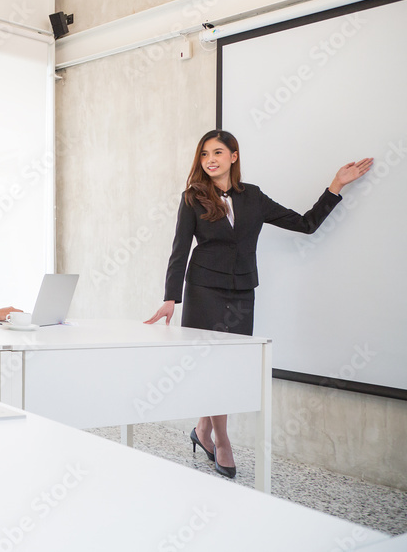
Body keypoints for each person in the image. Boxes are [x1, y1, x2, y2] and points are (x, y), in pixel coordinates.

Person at [144, 129, 372, 479]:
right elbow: (180, 249)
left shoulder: (253, 197)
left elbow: (306, 224)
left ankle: (202, 431)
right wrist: (170, 298)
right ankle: (222, 439)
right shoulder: (192, 197)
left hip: (241, 292)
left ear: (233, 156)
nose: (210, 160)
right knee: (212, 368)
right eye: (204, 155)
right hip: (204, 291)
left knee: (228, 366)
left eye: (218, 153)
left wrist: (336, 185)